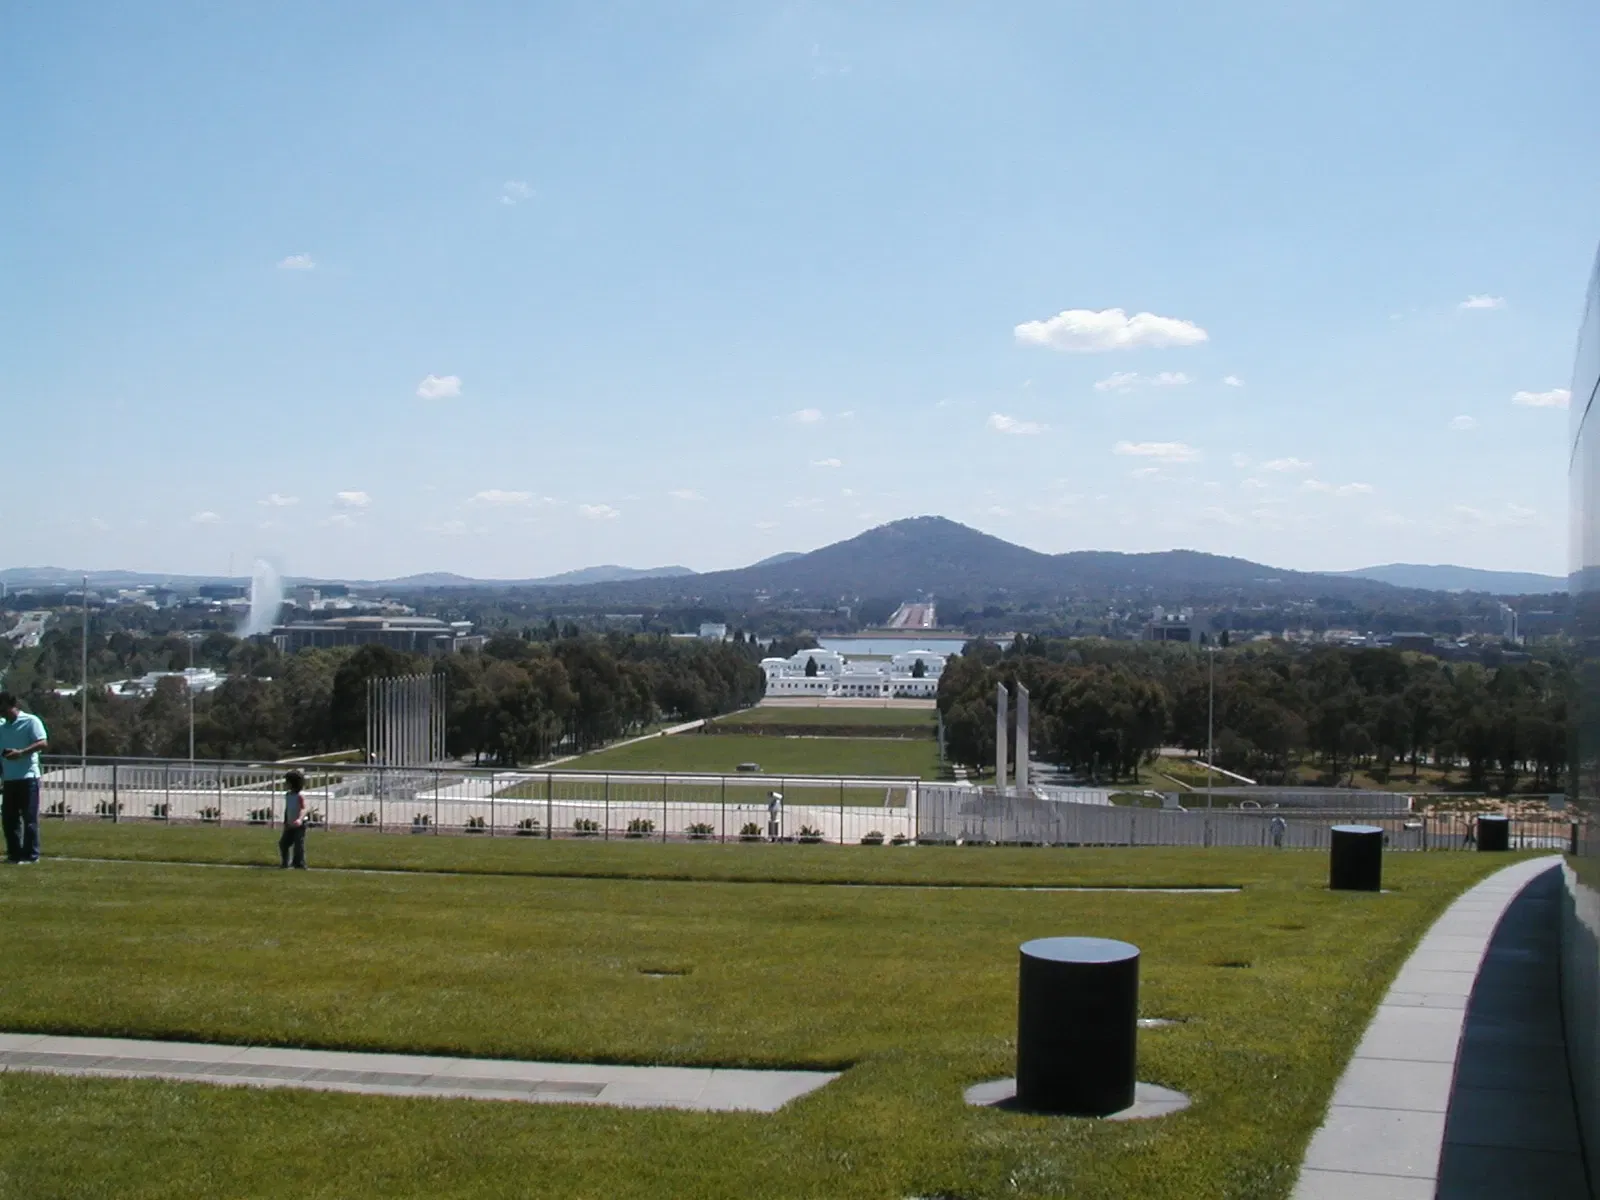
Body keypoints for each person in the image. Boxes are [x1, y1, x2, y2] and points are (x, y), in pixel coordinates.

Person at [0, 692, 49, 865]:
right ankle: (14, 855)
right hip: (9, 779)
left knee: (29, 818)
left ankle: (31, 855)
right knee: (9, 819)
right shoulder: (2, 728)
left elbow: (42, 742)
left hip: (28, 777)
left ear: (10, 704)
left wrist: (21, 753)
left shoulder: (31, 721)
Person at [279, 768, 309, 870]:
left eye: (287, 782)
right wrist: (286, 821)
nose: (285, 784)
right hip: (290, 823)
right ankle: (285, 862)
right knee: (283, 843)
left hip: (299, 825)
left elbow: (304, 809)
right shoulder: (288, 795)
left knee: (298, 844)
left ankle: (299, 864)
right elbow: (287, 809)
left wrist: (300, 819)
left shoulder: (299, 796)